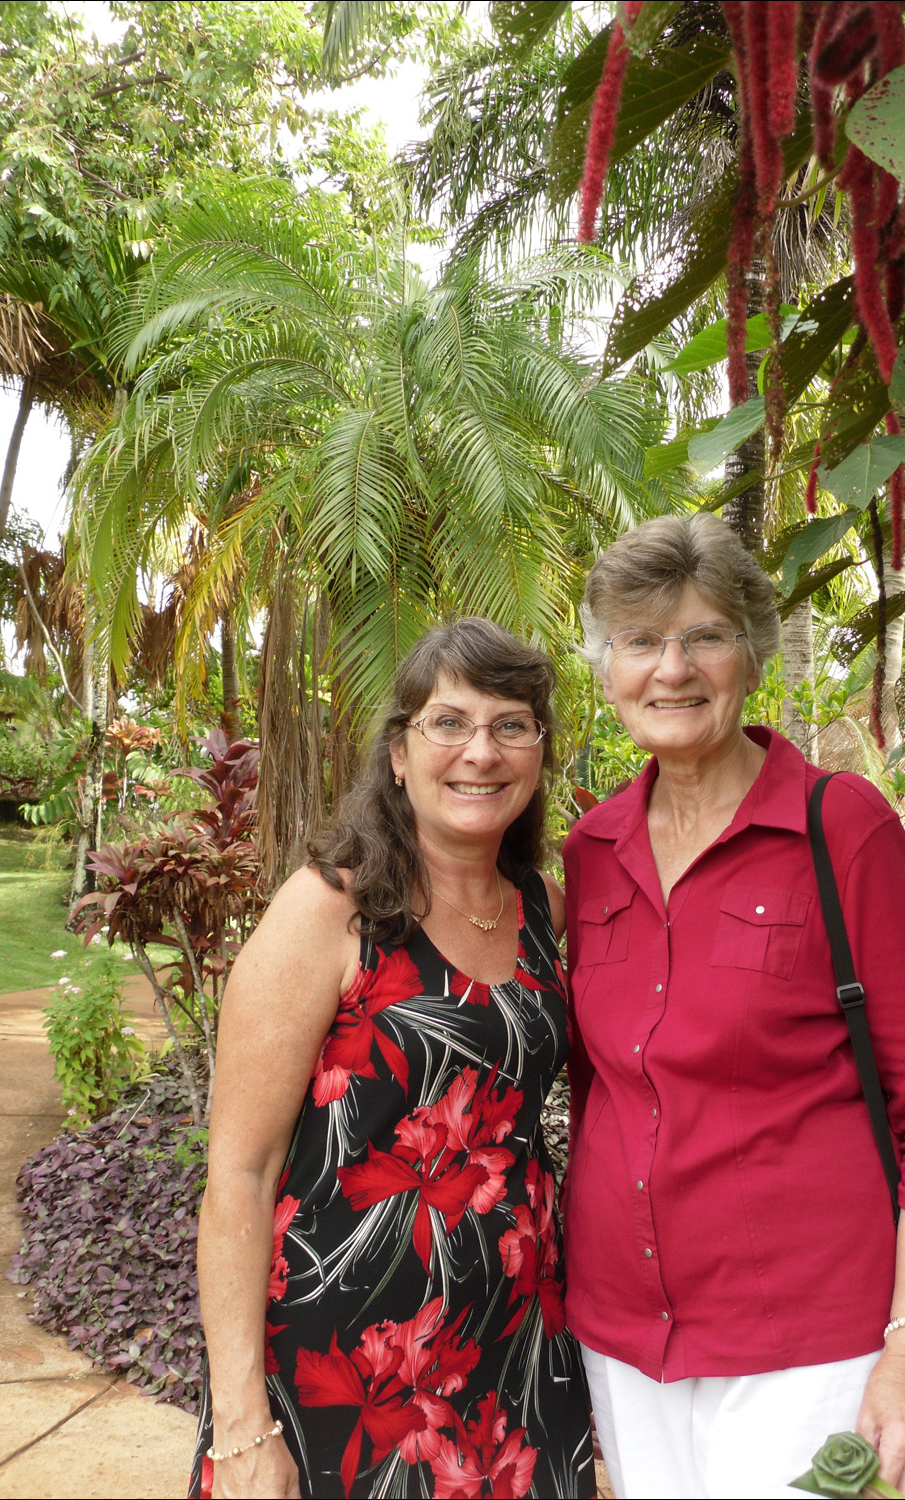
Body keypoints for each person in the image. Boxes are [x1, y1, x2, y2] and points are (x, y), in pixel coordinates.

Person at [562, 515, 905, 1500]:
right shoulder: (591, 851)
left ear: (751, 656)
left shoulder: (841, 827)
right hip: (628, 1347)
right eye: (640, 641)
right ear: (607, 668)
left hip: (810, 1348)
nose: (671, 669)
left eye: (703, 635)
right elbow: (599, 1103)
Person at [189, 618, 595, 1500]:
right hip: (346, 1368)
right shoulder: (330, 910)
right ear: (400, 754)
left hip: (515, 1356)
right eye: (447, 723)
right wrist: (240, 1427)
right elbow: (240, 1174)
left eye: (511, 725)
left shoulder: (545, 912)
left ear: (538, 752)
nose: (479, 752)